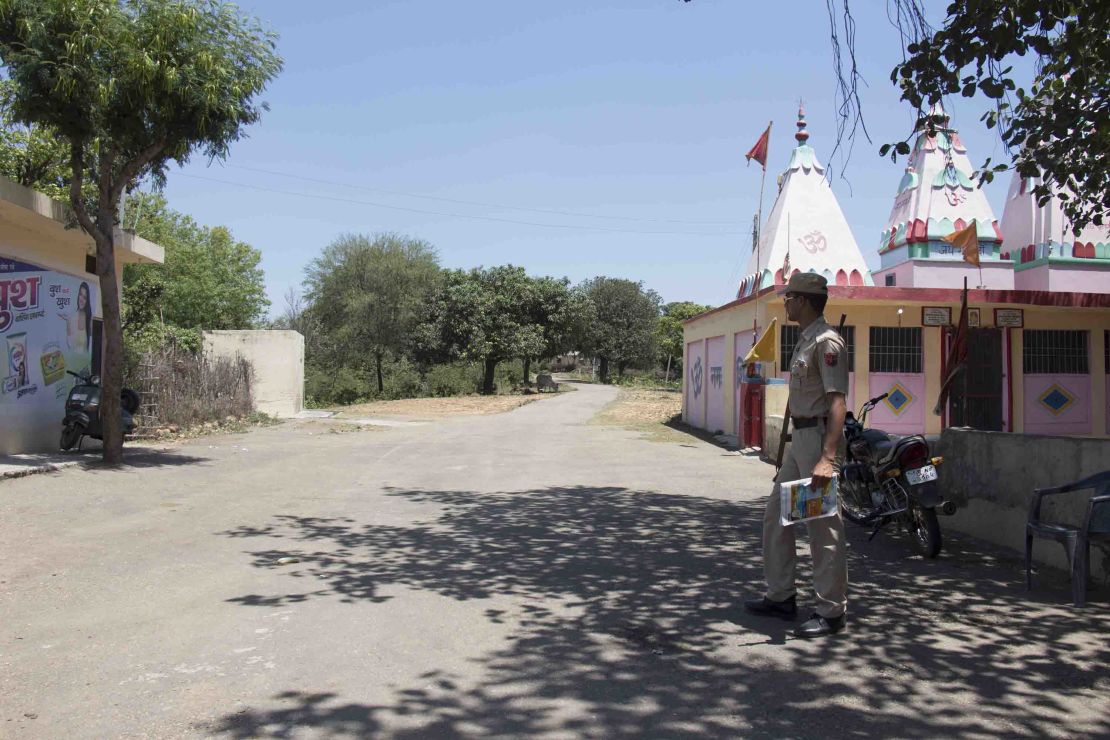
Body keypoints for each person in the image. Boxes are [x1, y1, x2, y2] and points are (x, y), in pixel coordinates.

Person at [745, 272, 849, 638]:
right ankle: (781, 595)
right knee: (776, 516)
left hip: (818, 442)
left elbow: (837, 402)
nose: (786, 303)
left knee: (822, 528)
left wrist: (827, 458)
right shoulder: (806, 339)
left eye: (790, 297)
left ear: (803, 301)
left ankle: (831, 611)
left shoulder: (827, 342)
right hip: (798, 440)